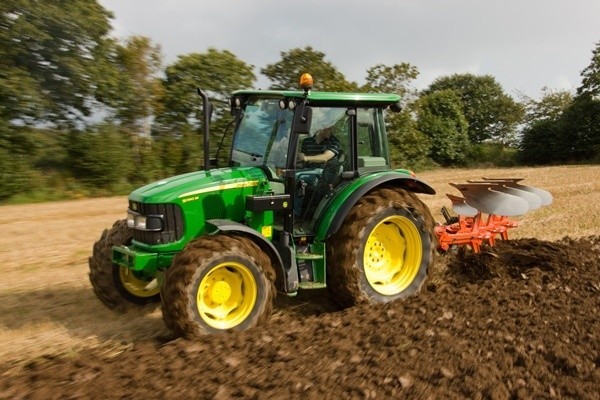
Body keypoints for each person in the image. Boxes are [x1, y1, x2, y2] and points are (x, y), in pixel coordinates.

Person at [294, 125, 342, 217]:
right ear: (320, 128)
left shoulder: (334, 142)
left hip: (323, 173)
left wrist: (305, 158)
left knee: (297, 177)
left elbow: (325, 158)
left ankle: (294, 214)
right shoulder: (307, 142)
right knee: (287, 175)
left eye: (331, 128)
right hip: (308, 170)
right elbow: (302, 162)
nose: (331, 130)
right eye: (328, 128)